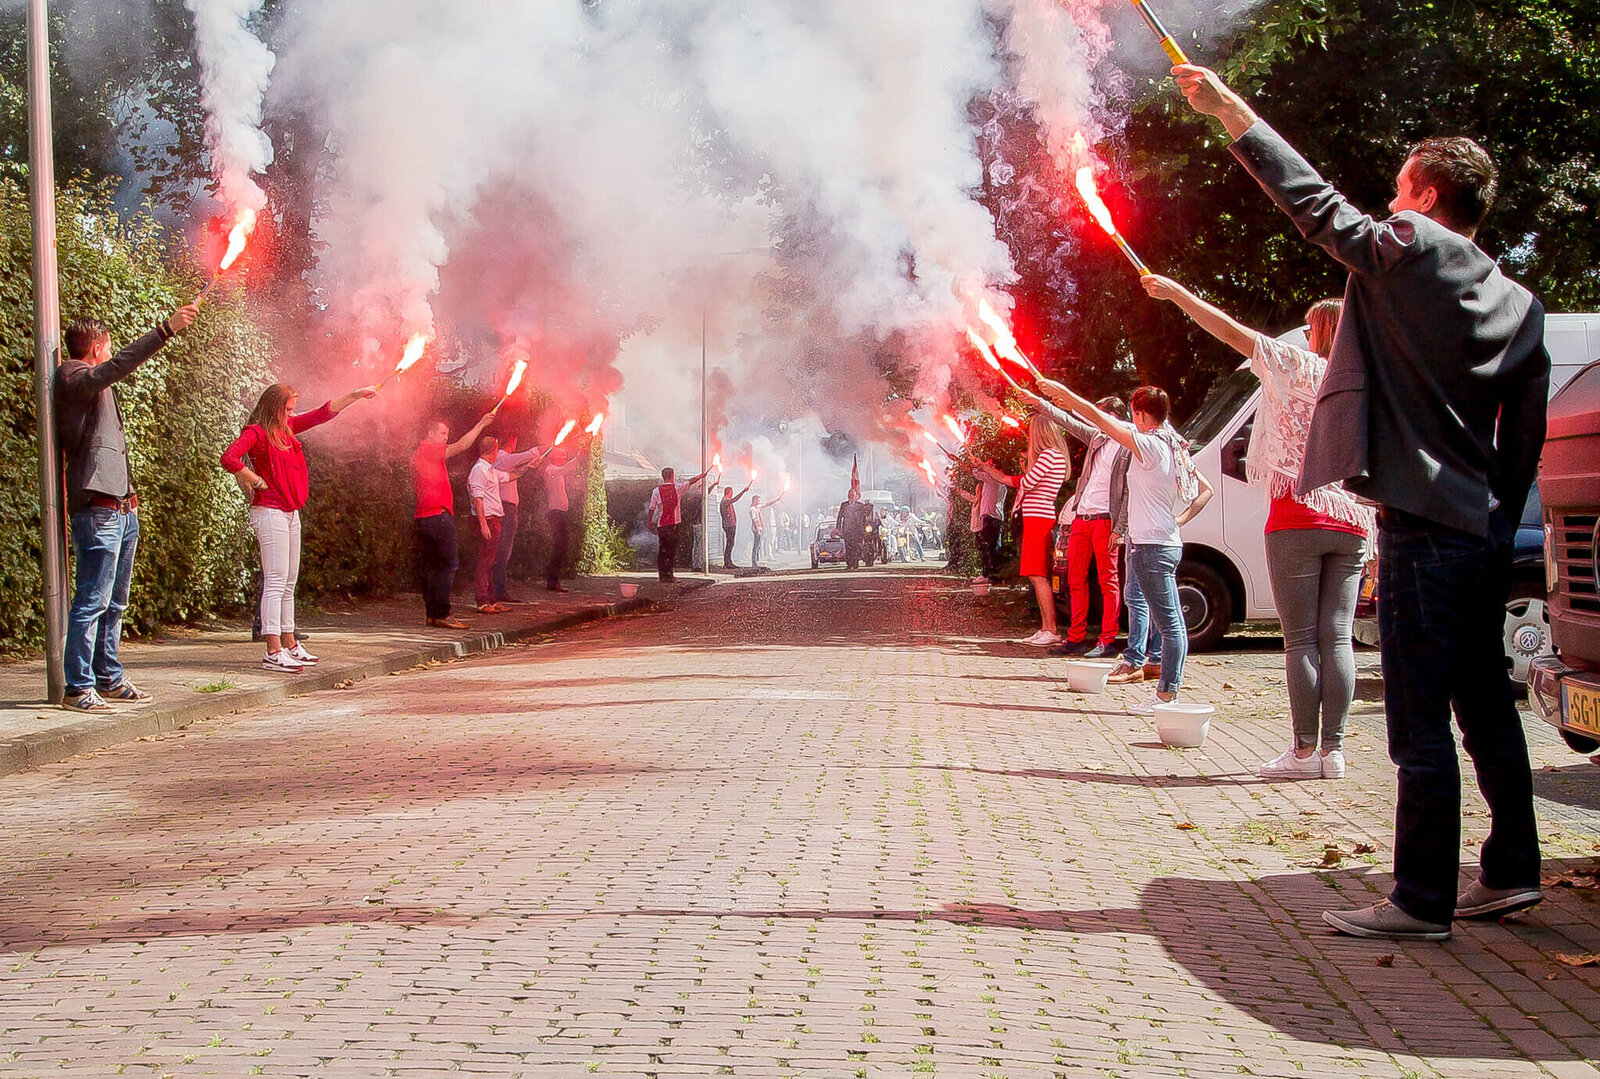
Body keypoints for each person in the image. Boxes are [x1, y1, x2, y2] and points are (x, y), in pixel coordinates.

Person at [1176, 65, 1550, 940]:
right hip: (1477, 526)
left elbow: (1316, 206)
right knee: (1485, 705)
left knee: (1418, 717)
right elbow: (1520, 444)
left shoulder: (1409, 247)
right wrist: (1497, 522)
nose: (1387, 198)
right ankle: (1512, 870)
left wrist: (1233, 113)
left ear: (1423, 194)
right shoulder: (1522, 305)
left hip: (1421, 527)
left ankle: (1421, 898)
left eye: (1398, 184)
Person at [1144, 278, 1374, 781]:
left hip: (1296, 512)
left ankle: (1301, 750)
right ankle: (1333, 753)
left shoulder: (1293, 364)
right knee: (1337, 638)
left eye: (1312, 327)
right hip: (1353, 520)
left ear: (1320, 332)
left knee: (1300, 641)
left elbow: (1226, 329)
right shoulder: (1367, 378)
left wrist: (1177, 293)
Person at [54, 303, 199, 712]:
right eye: (109, 345)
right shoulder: (73, 375)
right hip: (99, 510)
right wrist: (165, 329)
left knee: (114, 602)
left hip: (120, 509)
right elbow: (114, 368)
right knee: (92, 601)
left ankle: (109, 677)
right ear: (98, 347)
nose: (112, 351)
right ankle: (78, 687)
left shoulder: (91, 382)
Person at [1039, 381, 1211, 707]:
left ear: (1141, 414)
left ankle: (1165, 696)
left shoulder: (1150, 445)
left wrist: (1066, 396)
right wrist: (1180, 520)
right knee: (1158, 614)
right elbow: (1206, 490)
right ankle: (1160, 687)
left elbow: (1099, 419)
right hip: (1159, 542)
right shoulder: (1174, 444)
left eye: (1134, 414)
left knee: (1171, 625)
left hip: (1152, 547)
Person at [221, 381, 378, 672]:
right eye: (288, 409)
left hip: (291, 513)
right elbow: (229, 458)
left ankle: (290, 643)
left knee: (288, 582)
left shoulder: (286, 428)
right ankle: (272, 650)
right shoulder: (256, 432)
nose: (292, 414)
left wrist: (354, 395)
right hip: (269, 512)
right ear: (274, 408)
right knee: (276, 581)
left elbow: (322, 414)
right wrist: (253, 479)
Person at [1023, 388, 1131, 658]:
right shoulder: (1096, 437)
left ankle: (1107, 640)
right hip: (1082, 518)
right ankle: (1076, 638)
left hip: (1107, 519)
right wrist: (1040, 402)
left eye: (1099, 415)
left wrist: (1121, 528)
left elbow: (1128, 490)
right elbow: (1068, 421)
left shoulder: (1129, 443)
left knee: (1109, 581)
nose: (1093, 420)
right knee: (1075, 580)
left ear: (1114, 417)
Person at [978, 415, 1070, 646]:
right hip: (1037, 518)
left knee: (1038, 574)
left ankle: (1050, 628)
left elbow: (1027, 482)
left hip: (1038, 519)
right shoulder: (1054, 456)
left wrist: (1015, 473)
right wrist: (990, 471)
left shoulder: (1048, 455)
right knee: (1035, 573)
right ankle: (1046, 627)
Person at [412, 410, 497, 630]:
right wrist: (480, 424)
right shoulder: (429, 450)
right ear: (430, 433)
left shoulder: (419, 453)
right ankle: (443, 614)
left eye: (446, 434)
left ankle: (433, 615)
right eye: (441, 433)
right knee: (448, 564)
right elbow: (461, 446)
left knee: (432, 567)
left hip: (425, 516)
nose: (445, 437)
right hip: (437, 516)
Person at [491, 434, 546, 604]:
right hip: (506, 509)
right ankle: (497, 590)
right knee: (503, 550)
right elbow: (526, 455)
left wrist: (530, 466)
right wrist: (547, 445)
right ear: (512, 441)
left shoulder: (503, 461)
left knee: (502, 550)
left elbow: (518, 471)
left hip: (506, 508)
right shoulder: (503, 458)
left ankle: (496, 589)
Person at [647, 464, 712, 582]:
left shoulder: (656, 491)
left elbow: (651, 508)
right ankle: (669, 575)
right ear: (672, 476)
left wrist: (650, 522)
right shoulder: (678, 487)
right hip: (673, 524)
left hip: (661, 525)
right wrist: (702, 475)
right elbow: (690, 481)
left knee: (662, 551)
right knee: (671, 551)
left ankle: (662, 576)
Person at [542, 447, 581, 592]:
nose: (564, 457)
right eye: (562, 455)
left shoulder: (557, 472)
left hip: (560, 513)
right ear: (555, 457)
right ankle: (552, 581)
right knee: (560, 547)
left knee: (561, 547)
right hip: (555, 513)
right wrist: (577, 456)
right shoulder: (551, 471)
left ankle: (553, 580)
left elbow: (566, 469)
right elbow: (565, 469)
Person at [719, 479, 753, 569]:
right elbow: (735, 499)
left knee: (731, 543)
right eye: (732, 492)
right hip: (729, 525)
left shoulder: (725, 500)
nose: (732, 493)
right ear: (729, 492)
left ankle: (728, 561)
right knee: (730, 543)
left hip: (730, 524)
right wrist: (743, 491)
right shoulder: (725, 500)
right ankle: (727, 562)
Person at [837, 490, 872, 570]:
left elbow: (864, 517)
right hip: (847, 529)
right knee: (848, 547)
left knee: (856, 547)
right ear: (848, 495)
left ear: (856, 496)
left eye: (853, 495)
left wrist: (864, 528)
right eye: (850, 494)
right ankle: (849, 564)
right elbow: (840, 517)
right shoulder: (844, 505)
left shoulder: (860, 505)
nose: (851, 496)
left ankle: (855, 563)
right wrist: (838, 528)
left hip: (857, 530)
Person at [751, 491, 784, 567]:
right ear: (754, 500)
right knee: (756, 546)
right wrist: (757, 530)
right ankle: (754, 562)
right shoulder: (753, 509)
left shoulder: (757, 507)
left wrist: (776, 500)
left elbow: (766, 504)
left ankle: (756, 560)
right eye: (758, 500)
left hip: (760, 528)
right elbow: (754, 520)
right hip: (757, 529)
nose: (759, 501)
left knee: (758, 545)